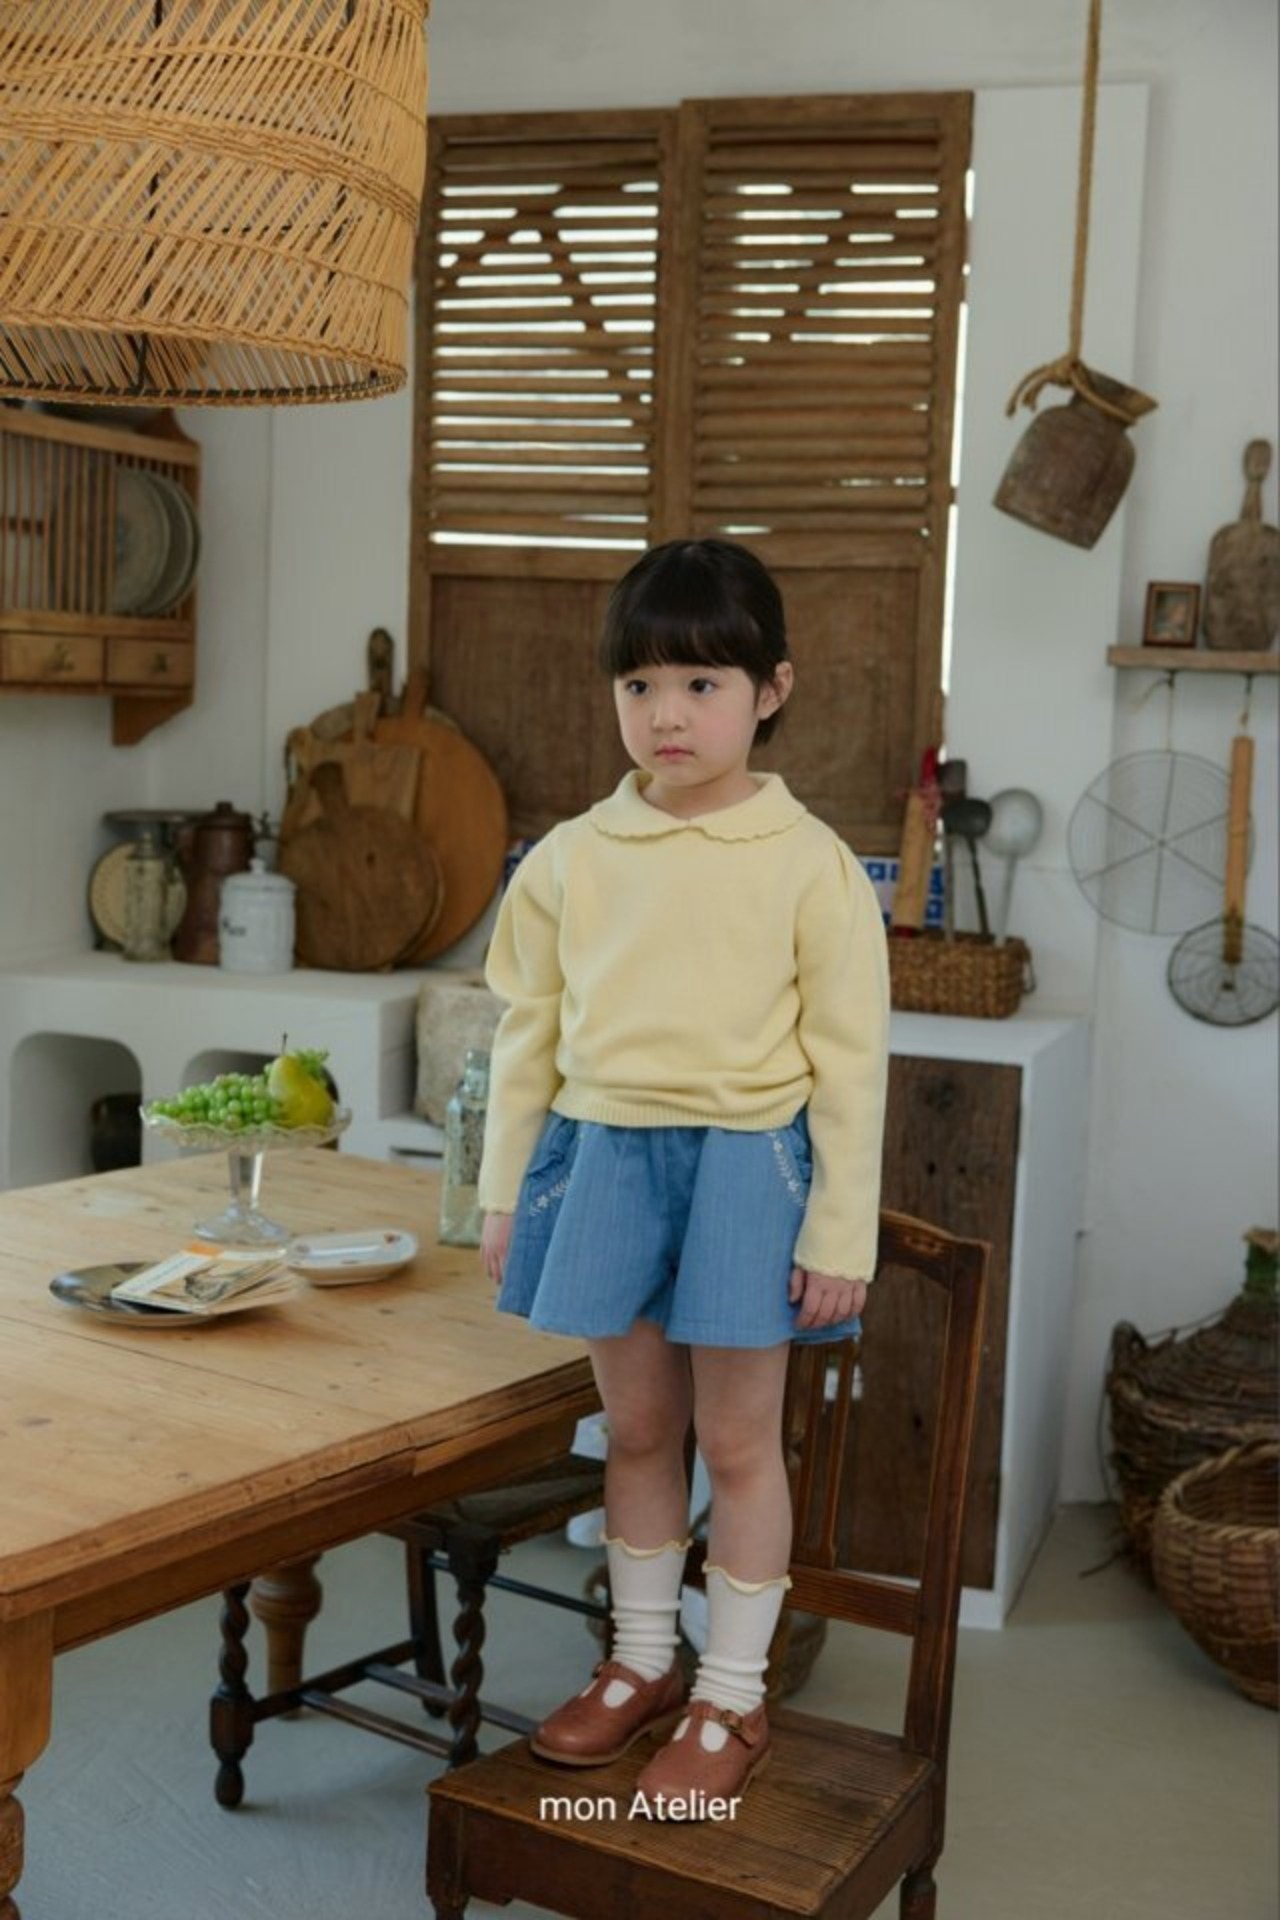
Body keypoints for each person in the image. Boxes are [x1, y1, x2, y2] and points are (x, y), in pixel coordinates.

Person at [477, 538, 890, 1818]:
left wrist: (839, 1234)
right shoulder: (570, 856)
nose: (667, 714)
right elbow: (526, 1032)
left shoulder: (809, 861)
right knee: (639, 1431)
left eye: (701, 684)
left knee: (737, 1441)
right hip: (603, 1159)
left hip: (746, 1171)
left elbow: (851, 1063)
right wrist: (503, 1194)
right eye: (640, 684)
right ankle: (641, 1661)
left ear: (770, 691)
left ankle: (730, 1692)